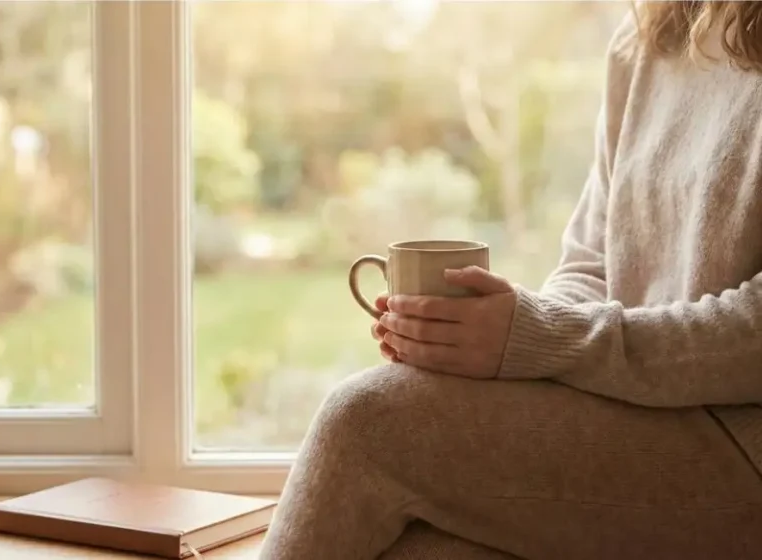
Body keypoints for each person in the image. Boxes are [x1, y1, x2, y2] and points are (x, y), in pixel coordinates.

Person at [260, 2, 762, 558]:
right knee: (423, 549)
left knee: (366, 422)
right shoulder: (647, 37)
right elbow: (591, 261)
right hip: (631, 412)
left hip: (741, 448)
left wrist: (541, 339)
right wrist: (498, 353)